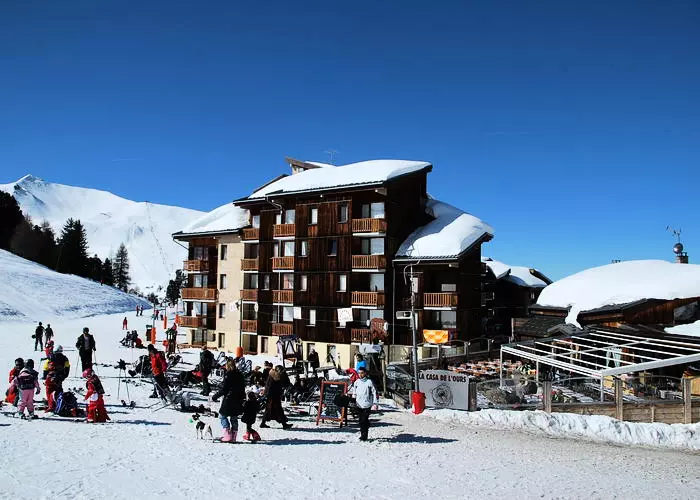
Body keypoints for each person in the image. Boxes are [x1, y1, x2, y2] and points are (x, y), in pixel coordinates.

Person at [211, 358, 245, 442]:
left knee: (222, 415)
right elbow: (243, 388)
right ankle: (234, 436)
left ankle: (227, 434)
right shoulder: (240, 374)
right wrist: (242, 398)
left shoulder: (228, 374)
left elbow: (224, 389)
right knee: (234, 417)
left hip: (229, 398)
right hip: (238, 398)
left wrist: (215, 396)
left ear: (228, 366)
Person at [351, 366, 378, 441]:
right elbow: (354, 392)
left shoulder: (369, 382)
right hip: (359, 404)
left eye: (362, 373)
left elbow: (374, 392)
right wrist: (353, 398)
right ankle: (365, 429)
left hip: (367, 404)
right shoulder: (356, 382)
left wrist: (375, 403)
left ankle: (364, 436)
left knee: (364, 420)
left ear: (365, 373)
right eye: (359, 373)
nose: (360, 375)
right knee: (361, 421)